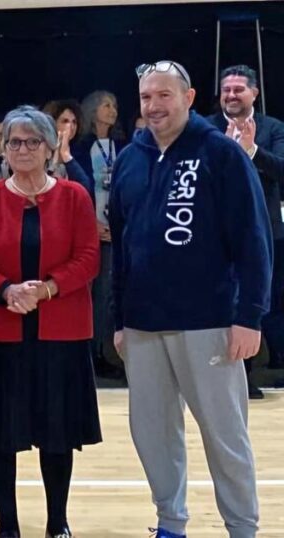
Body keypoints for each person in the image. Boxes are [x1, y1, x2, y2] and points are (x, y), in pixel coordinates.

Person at [110, 60, 271, 538]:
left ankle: (242, 528)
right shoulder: (130, 158)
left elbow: (253, 239)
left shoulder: (221, 153)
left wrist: (250, 316)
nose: (154, 106)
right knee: (153, 434)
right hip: (142, 323)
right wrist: (119, 319)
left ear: (189, 97)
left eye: (164, 95)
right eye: (146, 97)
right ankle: (170, 523)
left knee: (225, 435)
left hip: (210, 321)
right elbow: (121, 246)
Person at [0, 105, 102, 538]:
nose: (22, 149)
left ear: (50, 148)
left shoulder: (75, 196)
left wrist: (46, 289)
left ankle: (57, 522)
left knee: (57, 434)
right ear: (3, 148)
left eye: (32, 142)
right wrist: (7, 291)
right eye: (14, 142)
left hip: (60, 334)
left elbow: (89, 259)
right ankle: (8, 526)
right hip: (1, 334)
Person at [205, 64, 284, 396]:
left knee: (263, 302)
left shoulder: (273, 128)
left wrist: (252, 151)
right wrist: (224, 152)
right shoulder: (206, 128)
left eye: (239, 89)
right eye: (226, 90)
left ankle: (261, 369)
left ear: (255, 93)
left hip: (264, 231)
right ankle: (230, 377)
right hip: (216, 234)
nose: (231, 95)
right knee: (224, 303)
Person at [74, 90, 127, 380]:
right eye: (106, 105)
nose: (112, 110)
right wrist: (91, 223)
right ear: (92, 110)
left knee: (108, 294)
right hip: (88, 228)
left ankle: (103, 353)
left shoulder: (124, 146)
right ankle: (86, 353)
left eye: (115, 105)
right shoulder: (81, 148)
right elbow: (79, 189)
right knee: (89, 292)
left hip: (116, 230)